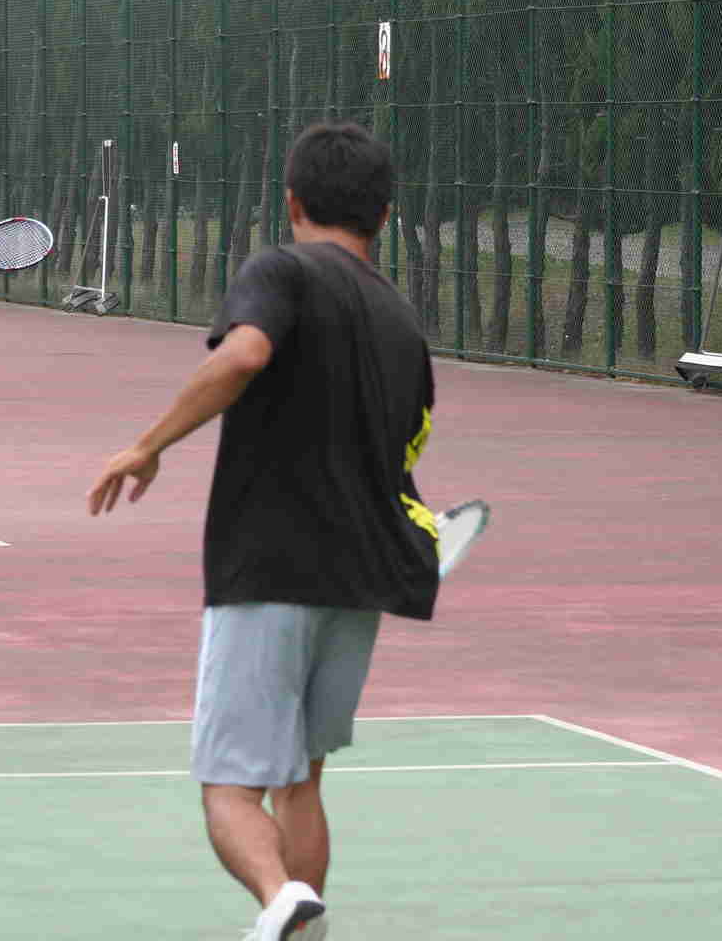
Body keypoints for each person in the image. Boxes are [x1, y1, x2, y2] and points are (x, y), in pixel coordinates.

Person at [86, 120, 440, 941]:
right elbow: (410, 445)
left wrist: (148, 444)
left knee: (229, 788)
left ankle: (280, 902)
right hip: (360, 579)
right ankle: (303, 924)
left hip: (270, 567)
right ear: (384, 216)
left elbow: (243, 355)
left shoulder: (279, 268)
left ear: (290, 202)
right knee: (303, 783)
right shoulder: (400, 317)